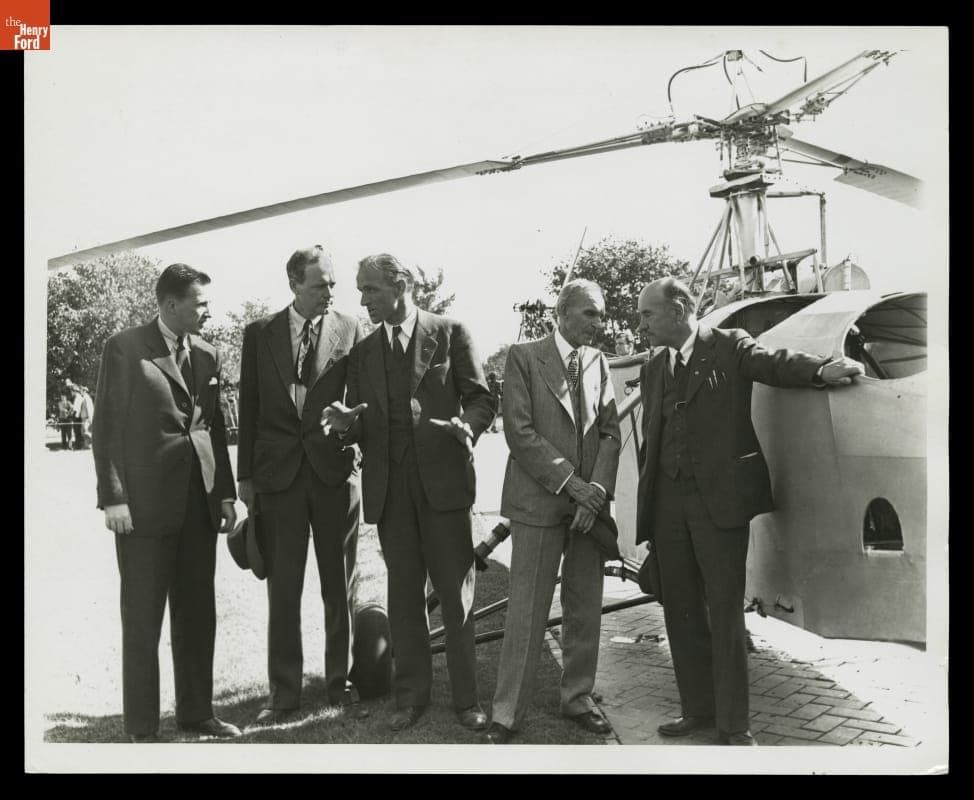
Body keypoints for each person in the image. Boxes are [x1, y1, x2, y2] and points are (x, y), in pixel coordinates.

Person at [633, 277, 865, 746]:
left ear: (678, 310)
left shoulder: (728, 346)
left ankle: (733, 725)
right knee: (680, 609)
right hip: (669, 506)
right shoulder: (655, 368)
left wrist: (822, 370)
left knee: (724, 612)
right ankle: (696, 710)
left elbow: (773, 363)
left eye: (647, 314)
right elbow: (652, 441)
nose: (641, 324)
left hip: (720, 504)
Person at [321, 253, 497, 733]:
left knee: (456, 600)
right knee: (403, 600)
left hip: (444, 489)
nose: (363, 299)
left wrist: (470, 426)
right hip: (391, 494)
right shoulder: (363, 352)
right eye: (361, 290)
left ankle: (467, 701)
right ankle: (411, 696)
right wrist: (346, 426)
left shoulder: (451, 332)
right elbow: (361, 421)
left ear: (400, 286)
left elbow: (481, 398)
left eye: (371, 289)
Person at [91, 263, 240, 742]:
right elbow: (106, 428)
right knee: (142, 619)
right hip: (144, 511)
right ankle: (142, 727)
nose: (208, 311)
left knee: (198, 615)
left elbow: (212, 428)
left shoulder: (209, 354)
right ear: (171, 304)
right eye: (200, 303)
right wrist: (114, 498)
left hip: (199, 507)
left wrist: (225, 495)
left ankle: (198, 713)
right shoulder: (126, 348)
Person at [482, 278, 621, 744]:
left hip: (588, 509)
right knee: (527, 611)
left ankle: (578, 698)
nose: (599, 324)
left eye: (601, 315)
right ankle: (506, 713)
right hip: (539, 505)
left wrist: (596, 493)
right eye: (591, 314)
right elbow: (519, 433)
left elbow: (610, 434)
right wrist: (574, 486)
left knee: (585, 609)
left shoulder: (600, 362)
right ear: (561, 314)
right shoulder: (523, 358)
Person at [236, 245, 363, 724]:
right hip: (278, 479)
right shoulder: (259, 334)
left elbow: (363, 401)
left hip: (333, 475)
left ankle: (339, 683)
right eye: (319, 285)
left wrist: (355, 442)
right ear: (294, 284)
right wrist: (246, 478)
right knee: (283, 589)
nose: (330, 292)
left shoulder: (351, 329)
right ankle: (284, 693)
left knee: (339, 585)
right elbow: (248, 409)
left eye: (333, 283)